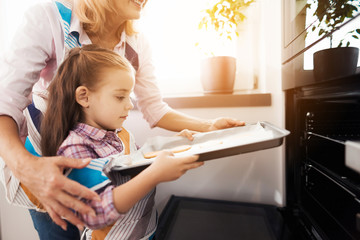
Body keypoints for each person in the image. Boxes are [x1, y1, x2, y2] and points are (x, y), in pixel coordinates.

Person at [0, 0, 245, 238]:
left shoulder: (136, 44)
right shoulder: (48, 18)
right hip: (46, 171)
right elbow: (5, 102)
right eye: (120, 97)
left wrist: (208, 127)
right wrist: (25, 167)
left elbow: (154, 108)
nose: (129, 105)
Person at [36, 44, 203, 239]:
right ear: (84, 96)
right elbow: (95, 212)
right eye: (120, 96)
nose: (130, 104)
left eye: (129, 96)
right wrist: (154, 175)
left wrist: (173, 144)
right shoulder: (75, 149)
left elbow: (139, 159)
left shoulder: (118, 133)